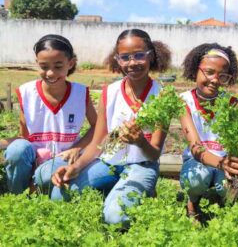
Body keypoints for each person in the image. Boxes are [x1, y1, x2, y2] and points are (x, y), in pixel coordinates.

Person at [51, 29, 171, 226]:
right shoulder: (110, 92)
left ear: (152, 55)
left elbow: (154, 154)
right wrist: (76, 167)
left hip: (141, 165)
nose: (132, 63)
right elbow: (98, 142)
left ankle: (139, 190)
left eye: (140, 55)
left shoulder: (163, 96)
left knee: (115, 218)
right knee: (58, 195)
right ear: (118, 60)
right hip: (108, 163)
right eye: (125, 57)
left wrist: (140, 142)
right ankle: (115, 189)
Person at [0, 34, 97, 194]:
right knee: (16, 150)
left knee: (47, 173)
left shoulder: (80, 93)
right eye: (44, 66)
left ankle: (36, 186)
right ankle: (17, 195)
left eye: (58, 66)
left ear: (70, 63)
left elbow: (96, 127)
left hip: (63, 157)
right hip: (33, 156)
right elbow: (23, 138)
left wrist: (77, 148)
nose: (50, 73)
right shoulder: (26, 92)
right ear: (37, 64)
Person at [179, 43, 238, 220]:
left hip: (226, 162)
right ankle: (192, 206)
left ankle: (220, 202)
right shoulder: (184, 102)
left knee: (231, 188)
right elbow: (196, 148)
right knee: (197, 179)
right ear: (195, 69)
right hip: (197, 162)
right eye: (209, 72)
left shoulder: (232, 103)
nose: (214, 80)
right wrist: (222, 163)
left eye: (222, 76)